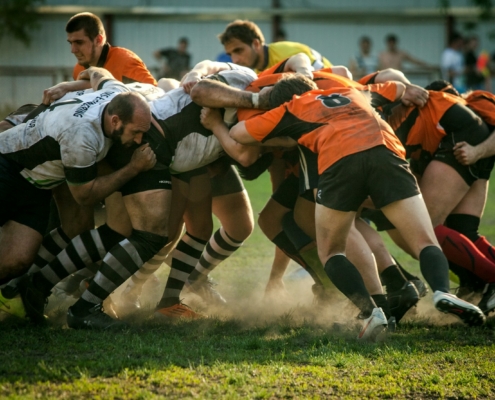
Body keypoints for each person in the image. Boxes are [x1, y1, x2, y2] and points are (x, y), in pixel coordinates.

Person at [226, 74, 487, 334]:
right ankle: (442, 291)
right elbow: (396, 88)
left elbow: (239, 134)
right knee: (426, 241)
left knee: (331, 251)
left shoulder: (291, 107)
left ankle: (370, 311)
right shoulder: (351, 90)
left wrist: (285, 134)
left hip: (339, 163)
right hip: (386, 153)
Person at [0, 68, 155, 285]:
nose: (139, 140)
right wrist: (133, 168)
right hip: (7, 167)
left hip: (35, 186)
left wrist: (67, 86)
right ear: (116, 121)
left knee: (16, 261)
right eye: (135, 132)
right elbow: (85, 196)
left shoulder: (117, 91)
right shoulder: (82, 136)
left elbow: (98, 72)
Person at [68, 12, 156, 85]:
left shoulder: (125, 63)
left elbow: (155, 95)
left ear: (99, 40)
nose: (73, 50)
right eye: (71, 43)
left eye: (79, 43)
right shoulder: (78, 70)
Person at [218, 19, 332, 73]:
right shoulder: (258, 73)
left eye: (239, 51)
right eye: (230, 54)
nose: (234, 60)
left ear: (256, 44)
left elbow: (325, 78)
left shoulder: (289, 53)